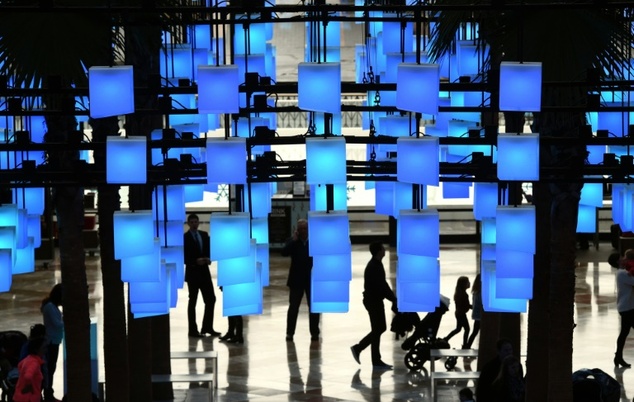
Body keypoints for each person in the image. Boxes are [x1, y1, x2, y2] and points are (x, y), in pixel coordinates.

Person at [350, 241, 397, 369]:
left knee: (379, 328)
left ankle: (373, 357)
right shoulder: (374, 266)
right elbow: (381, 286)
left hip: (374, 300)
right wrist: (393, 299)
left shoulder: (376, 264)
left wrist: (392, 297)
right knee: (379, 328)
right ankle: (360, 349)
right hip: (373, 301)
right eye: (383, 248)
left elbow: (383, 284)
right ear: (378, 251)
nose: (385, 250)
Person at [281, 218, 320, 342]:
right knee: (293, 308)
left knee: (313, 307)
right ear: (297, 230)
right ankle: (289, 333)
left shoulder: (314, 242)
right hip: (296, 280)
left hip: (311, 280)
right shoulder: (292, 242)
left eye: (305, 228)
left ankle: (314, 332)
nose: (303, 231)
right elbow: (284, 253)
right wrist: (294, 240)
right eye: (301, 229)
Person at [184, 213, 219, 338]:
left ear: (198, 223)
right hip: (193, 273)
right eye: (192, 222)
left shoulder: (204, 235)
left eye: (196, 222)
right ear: (188, 224)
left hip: (204, 272)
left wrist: (208, 258)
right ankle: (193, 330)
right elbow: (183, 257)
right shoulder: (185, 238)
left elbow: (209, 250)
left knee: (211, 299)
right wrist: (194, 261)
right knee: (192, 301)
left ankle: (207, 327)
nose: (194, 224)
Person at [41, 283, 63, 402]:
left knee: (51, 368)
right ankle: (48, 393)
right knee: (49, 369)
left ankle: (49, 392)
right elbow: (57, 324)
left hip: (55, 341)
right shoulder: (49, 307)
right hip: (51, 342)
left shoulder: (53, 306)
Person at [476, 338, 514, 402]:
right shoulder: (489, 368)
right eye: (506, 350)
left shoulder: (516, 365)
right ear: (498, 351)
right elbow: (482, 390)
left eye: (510, 350)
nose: (509, 353)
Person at [614, 248, 634, 367]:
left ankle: (618, 357)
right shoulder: (622, 273)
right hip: (627, 308)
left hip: (628, 307)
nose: (624, 259)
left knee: (624, 333)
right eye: (621, 258)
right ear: (618, 262)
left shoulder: (623, 272)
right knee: (623, 333)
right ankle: (618, 357)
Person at [13, 337, 47, 402]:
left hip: (21, 397)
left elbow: (19, 366)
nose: (45, 350)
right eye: (44, 348)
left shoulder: (28, 359)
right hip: (29, 398)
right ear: (37, 350)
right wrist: (29, 386)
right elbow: (28, 376)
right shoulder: (34, 362)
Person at [443, 276, 472, 349]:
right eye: (467, 282)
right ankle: (465, 345)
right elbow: (465, 305)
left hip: (458, 313)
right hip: (461, 314)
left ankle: (446, 338)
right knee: (467, 329)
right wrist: (473, 307)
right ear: (464, 284)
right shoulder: (464, 294)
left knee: (458, 329)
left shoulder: (459, 293)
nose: (469, 283)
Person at [465, 274, 482, 349]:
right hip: (481, 315)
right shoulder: (482, 292)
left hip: (476, 315)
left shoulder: (475, 291)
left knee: (474, 332)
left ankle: (468, 346)